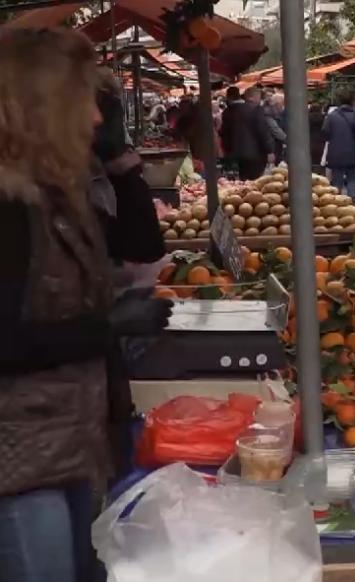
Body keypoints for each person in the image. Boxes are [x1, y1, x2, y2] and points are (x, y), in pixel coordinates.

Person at [0, 28, 172, 582]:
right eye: (85, 103)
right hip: (17, 464)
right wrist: (106, 327)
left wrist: (121, 158)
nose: (97, 120)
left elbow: (142, 246)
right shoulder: (8, 208)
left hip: (66, 446)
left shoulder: (55, 195)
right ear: (40, 107)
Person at [220, 86, 274, 180]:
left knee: (243, 181)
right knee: (256, 182)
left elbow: (224, 134)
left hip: (236, 154)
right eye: (259, 97)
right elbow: (262, 131)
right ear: (252, 97)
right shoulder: (256, 110)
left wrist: (228, 151)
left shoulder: (227, 111)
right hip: (256, 154)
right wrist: (269, 150)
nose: (259, 100)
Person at [323, 87, 355, 198]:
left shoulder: (331, 116)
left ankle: (337, 205)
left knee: (337, 181)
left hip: (335, 152)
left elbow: (325, 133)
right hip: (351, 151)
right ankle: (352, 203)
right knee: (352, 180)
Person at [266, 93, 287, 165]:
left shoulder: (272, 113)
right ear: (277, 104)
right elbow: (276, 130)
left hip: (274, 147)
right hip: (271, 149)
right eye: (282, 105)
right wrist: (288, 140)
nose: (283, 107)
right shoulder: (268, 114)